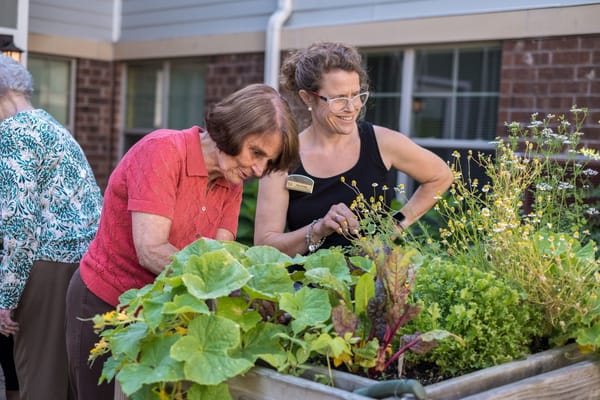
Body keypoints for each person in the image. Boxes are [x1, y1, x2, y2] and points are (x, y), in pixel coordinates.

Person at [65, 82, 299, 399]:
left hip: (162, 313)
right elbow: (151, 250)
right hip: (106, 303)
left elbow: (218, 260)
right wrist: (232, 288)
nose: (258, 169)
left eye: (267, 162)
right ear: (231, 129)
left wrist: (255, 293)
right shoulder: (163, 151)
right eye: (255, 152)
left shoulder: (232, 179)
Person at [254, 41, 453, 256]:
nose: (352, 108)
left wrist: (391, 229)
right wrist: (318, 229)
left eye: (357, 95)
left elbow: (440, 176)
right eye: (339, 98)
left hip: (373, 283)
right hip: (307, 286)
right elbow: (265, 247)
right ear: (307, 97)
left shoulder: (382, 142)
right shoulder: (284, 158)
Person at [0, 54, 103, 400]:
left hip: (46, 266)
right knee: (68, 378)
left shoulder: (13, 134)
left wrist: (5, 297)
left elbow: (19, 223)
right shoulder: (52, 126)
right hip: (84, 265)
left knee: (40, 378)